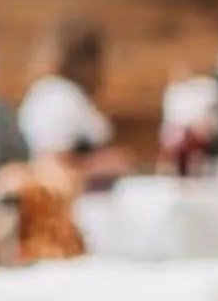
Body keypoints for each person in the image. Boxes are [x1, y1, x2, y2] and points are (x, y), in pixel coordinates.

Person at [18, 18, 134, 186]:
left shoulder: (46, 90)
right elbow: (53, 168)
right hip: (74, 200)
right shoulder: (60, 97)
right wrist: (107, 164)